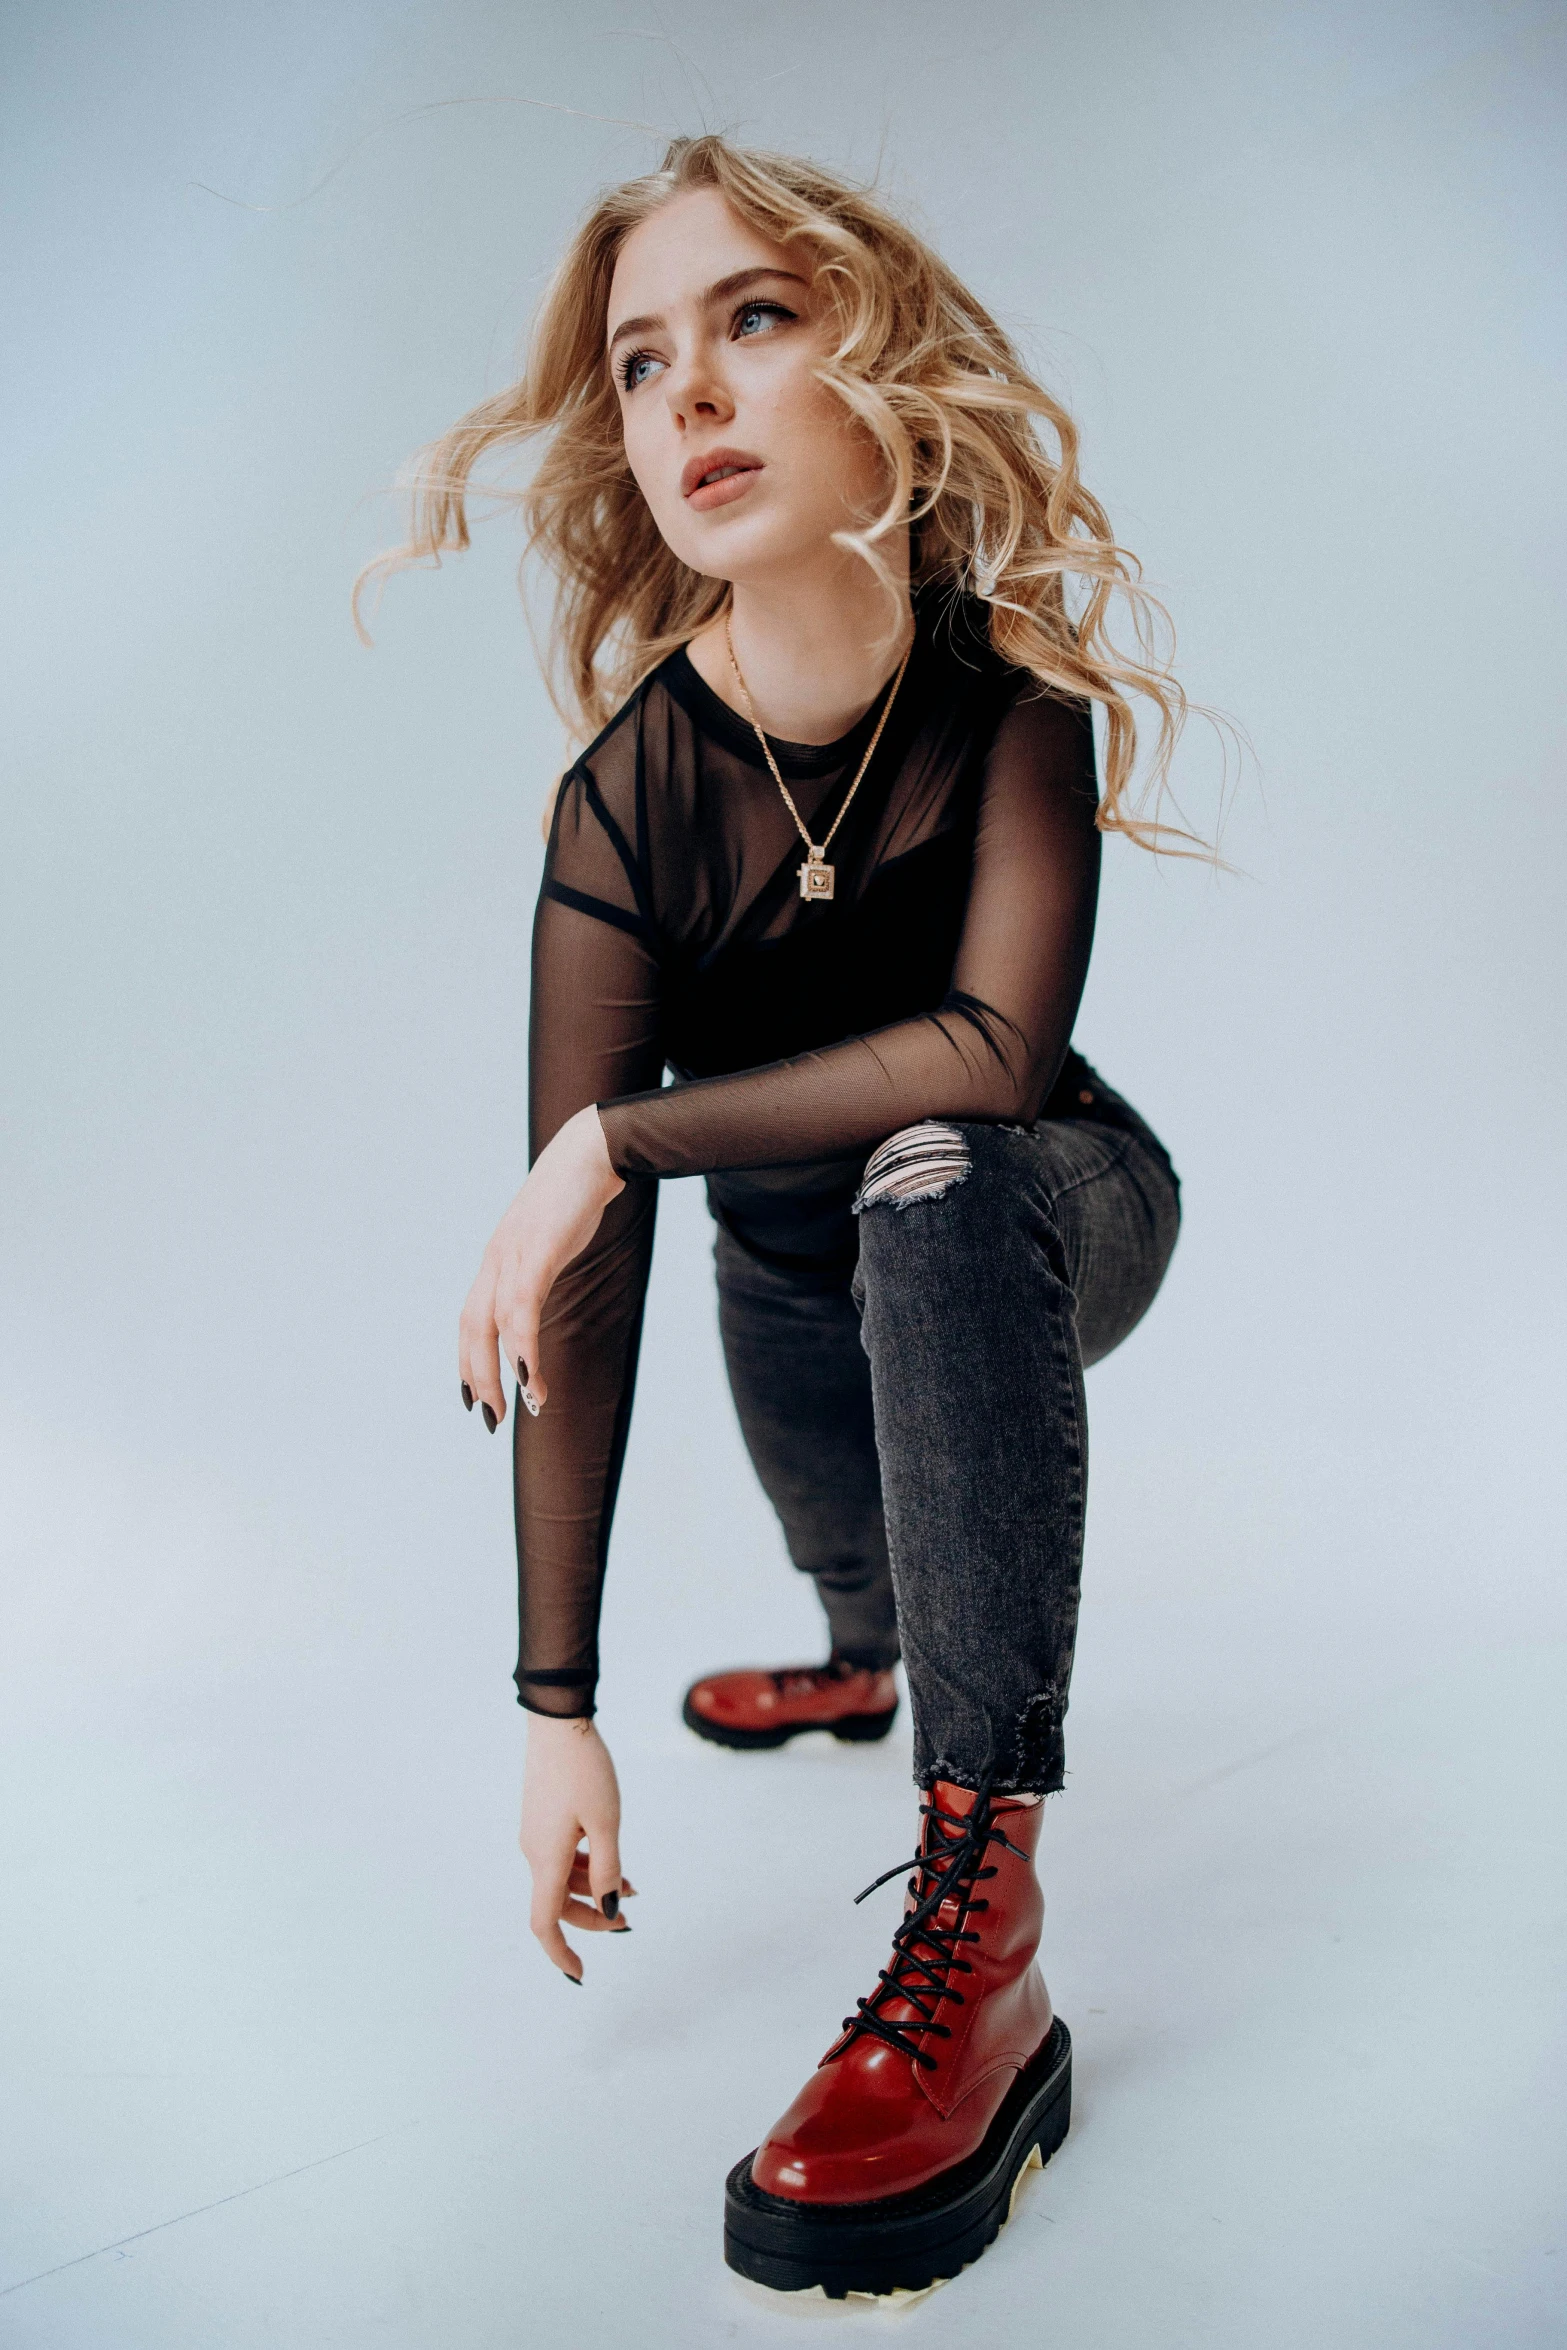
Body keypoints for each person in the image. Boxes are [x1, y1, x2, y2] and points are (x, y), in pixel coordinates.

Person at [367, 132, 1189, 2297]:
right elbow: (583, 1271)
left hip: (1051, 1199)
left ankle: (979, 1907)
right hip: (804, 1249)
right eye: (643, 365)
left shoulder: (1008, 715)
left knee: (912, 1178)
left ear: (881, 367)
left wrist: (617, 1135)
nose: (690, 398)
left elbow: (995, 1061)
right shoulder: (627, 798)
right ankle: (858, 1639)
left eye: (753, 320)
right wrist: (560, 1702)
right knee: (778, 1239)